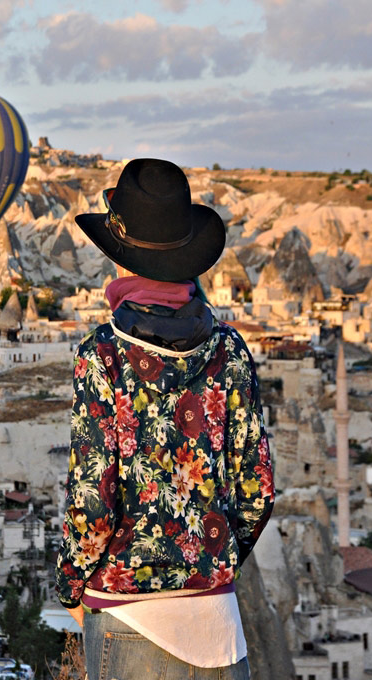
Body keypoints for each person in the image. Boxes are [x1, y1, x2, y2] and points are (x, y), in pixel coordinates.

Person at [55, 159, 275, 680]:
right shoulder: (230, 351)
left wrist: (71, 587)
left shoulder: (102, 355)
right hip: (219, 628)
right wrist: (207, 561)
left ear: (121, 262)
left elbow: (94, 500)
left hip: (132, 622)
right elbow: (258, 491)